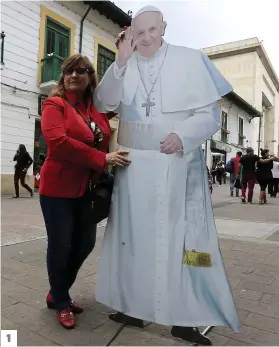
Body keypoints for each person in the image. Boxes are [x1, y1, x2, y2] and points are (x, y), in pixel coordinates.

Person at [94, 6, 240, 346]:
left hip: (176, 168)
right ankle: (134, 307)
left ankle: (185, 318)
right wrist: (119, 61)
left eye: (151, 31)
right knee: (133, 240)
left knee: (184, 245)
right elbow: (103, 103)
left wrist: (184, 135)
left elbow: (209, 115)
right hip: (134, 172)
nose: (145, 38)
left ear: (164, 28)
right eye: (138, 32)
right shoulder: (124, 63)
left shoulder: (190, 60)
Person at [39, 54, 130, 329]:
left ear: (91, 76)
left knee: (85, 243)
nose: (74, 75)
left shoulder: (97, 109)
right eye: (69, 71)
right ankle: (62, 301)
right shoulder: (54, 105)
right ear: (63, 77)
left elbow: (119, 94)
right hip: (57, 190)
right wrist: (103, 159)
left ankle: (58, 291)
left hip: (87, 191)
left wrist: (125, 58)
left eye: (81, 71)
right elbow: (58, 143)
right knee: (60, 245)